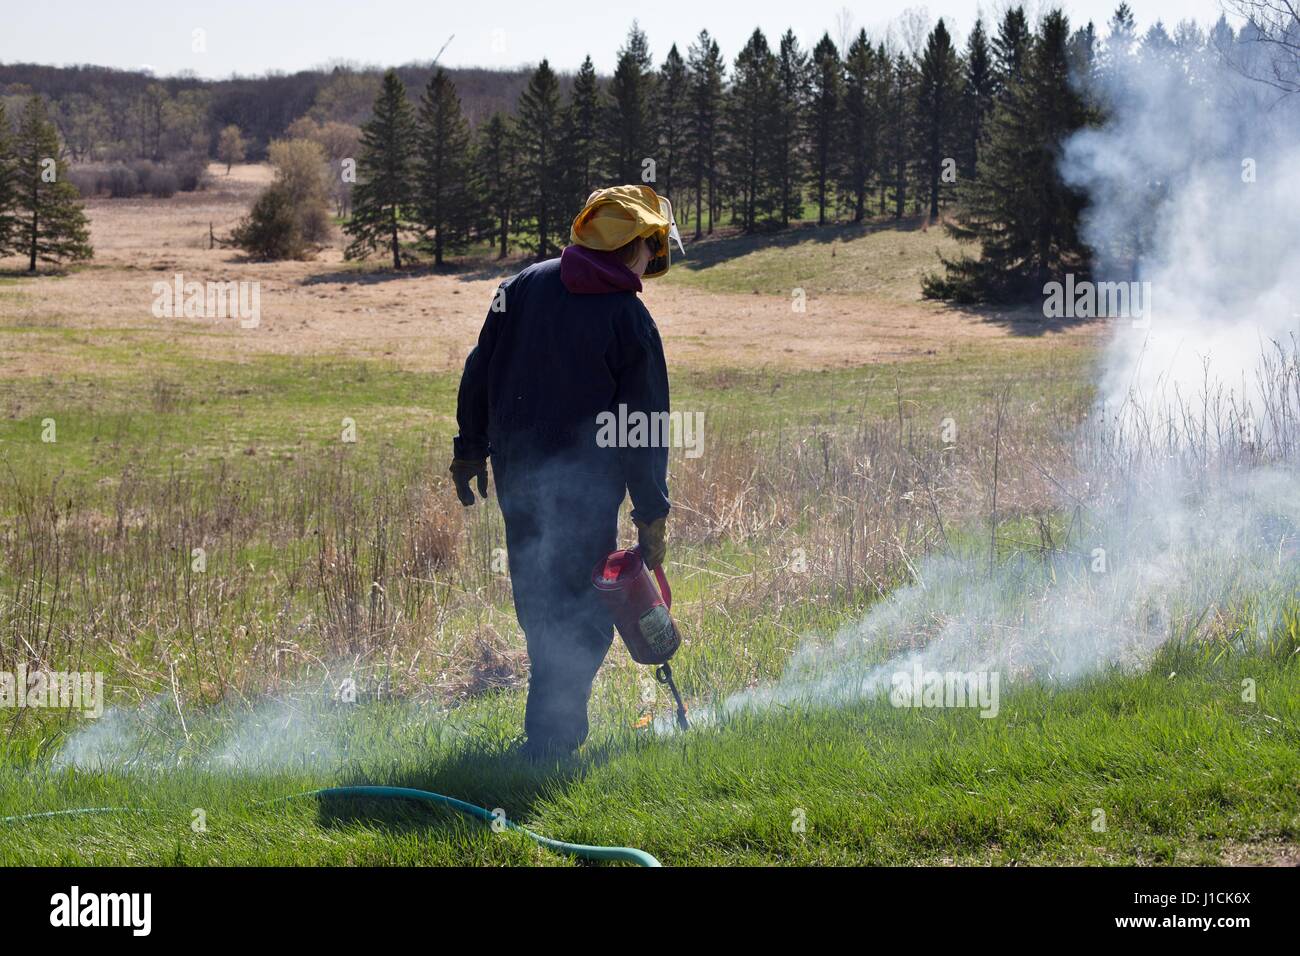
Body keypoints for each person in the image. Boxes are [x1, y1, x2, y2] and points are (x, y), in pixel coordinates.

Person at [449, 185, 684, 758]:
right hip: (584, 491)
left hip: (518, 479)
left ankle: (546, 734)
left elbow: (479, 370)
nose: (650, 265)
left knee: (539, 600)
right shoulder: (628, 317)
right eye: (649, 251)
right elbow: (643, 426)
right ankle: (551, 742)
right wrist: (651, 512)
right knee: (585, 612)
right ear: (633, 247)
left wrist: (471, 448)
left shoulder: (523, 287)